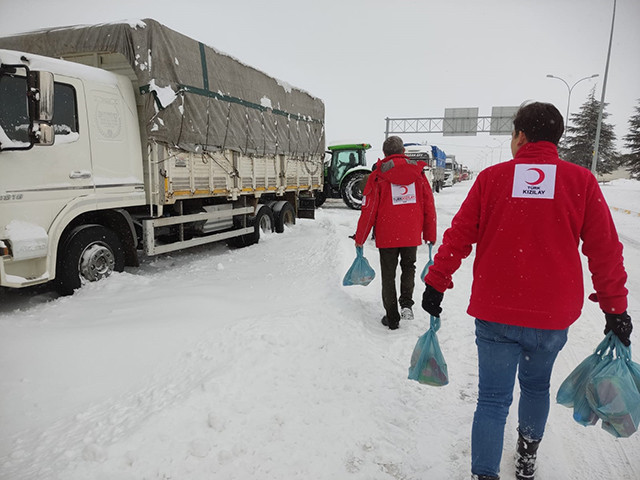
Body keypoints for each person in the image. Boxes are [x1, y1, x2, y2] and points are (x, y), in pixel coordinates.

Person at [421, 102, 631, 480]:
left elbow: (460, 236)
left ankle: (483, 474)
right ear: (556, 138)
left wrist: (437, 282)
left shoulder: (492, 179)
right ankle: (526, 456)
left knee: (492, 399)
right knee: (535, 388)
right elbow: (605, 250)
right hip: (551, 318)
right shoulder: (580, 181)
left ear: (519, 135)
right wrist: (615, 308)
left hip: (496, 312)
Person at [354, 135, 436, 330]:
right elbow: (429, 206)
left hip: (387, 235)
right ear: (403, 152)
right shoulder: (418, 174)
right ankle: (406, 303)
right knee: (409, 267)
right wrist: (430, 235)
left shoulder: (378, 175)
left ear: (384, 153)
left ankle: (392, 317)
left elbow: (369, 209)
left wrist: (360, 238)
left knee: (388, 274)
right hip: (411, 234)